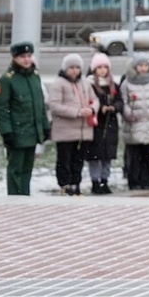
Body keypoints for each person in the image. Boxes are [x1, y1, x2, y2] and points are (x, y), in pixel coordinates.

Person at [0, 41, 49, 196]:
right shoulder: (7, 80)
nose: (26, 60)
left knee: (27, 169)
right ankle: (15, 201)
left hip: (32, 132)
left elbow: (40, 105)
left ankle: (24, 198)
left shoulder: (34, 77)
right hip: (17, 133)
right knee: (15, 170)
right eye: (22, 56)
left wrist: (44, 127)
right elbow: (1, 110)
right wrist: (6, 132)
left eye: (29, 56)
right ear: (14, 58)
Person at [47, 52, 97, 196]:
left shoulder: (85, 83)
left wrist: (92, 109)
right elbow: (55, 106)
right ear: (65, 68)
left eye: (77, 67)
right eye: (71, 67)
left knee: (78, 159)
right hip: (65, 130)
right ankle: (64, 185)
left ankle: (76, 184)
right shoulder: (58, 84)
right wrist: (77, 112)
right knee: (64, 160)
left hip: (83, 130)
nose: (75, 70)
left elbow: (94, 99)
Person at [119, 52, 149, 191]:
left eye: (145, 65)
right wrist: (127, 114)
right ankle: (134, 180)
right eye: (140, 65)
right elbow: (123, 101)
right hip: (134, 124)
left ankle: (146, 180)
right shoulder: (127, 82)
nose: (143, 68)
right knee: (134, 154)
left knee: (147, 154)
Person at [84, 53, 121, 194]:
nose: (102, 70)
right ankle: (95, 181)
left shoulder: (113, 85)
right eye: (99, 67)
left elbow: (120, 101)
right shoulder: (90, 85)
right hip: (96, 124)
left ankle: (105, 180)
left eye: (105, 67)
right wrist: (100, 108)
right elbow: (90, 101)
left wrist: (115, 107)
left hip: (110, 124)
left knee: (107, 155)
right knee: (95, 155)